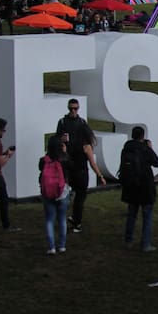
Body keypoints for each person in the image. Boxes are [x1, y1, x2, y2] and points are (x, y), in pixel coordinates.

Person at [55, 98, 106, 233]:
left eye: (75, 108)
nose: (73, 111)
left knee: (69, 196)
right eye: (71, 108)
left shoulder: (74, 124)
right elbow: (92, 162)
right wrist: (100, 176)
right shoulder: (84, 143)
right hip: (77, 170)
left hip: (71, 169)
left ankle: (68, 219)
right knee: (78, 197)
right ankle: (76, 222)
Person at [119, 125, 158, 252]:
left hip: (131, 186)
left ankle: (128, 240)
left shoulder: (127, 148)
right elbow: (157, 162)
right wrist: (150, 148)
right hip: (145, 186)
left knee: (132, 214)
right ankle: (145, 243)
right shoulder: (145, 149)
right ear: (143, 136)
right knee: (147, 215)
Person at [38, 134, 70, 255]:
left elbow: (40, 169)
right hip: (62, 193)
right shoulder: (64, 159)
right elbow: (71, 168)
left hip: (47, 193)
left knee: (49, 220)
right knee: (62, 219)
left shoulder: (43, 160)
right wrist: (65, 152)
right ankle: (62, 245)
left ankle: (51, 247)